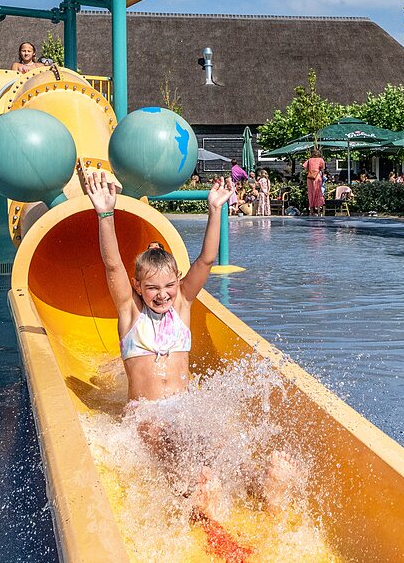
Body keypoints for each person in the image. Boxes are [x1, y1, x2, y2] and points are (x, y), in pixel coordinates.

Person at [80, 169, 293, 521]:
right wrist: (106, 214)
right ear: (137, 287)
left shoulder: (182, 306)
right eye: (151, 288)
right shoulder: (130, 314)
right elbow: (112, 265)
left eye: (168, 285)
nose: (161, 294)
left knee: (220, 442)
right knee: (165, 439)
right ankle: (195, 495)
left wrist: (215, 211)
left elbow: (206, 260)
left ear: (177, 282)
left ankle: (262, 484)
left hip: (185, 405)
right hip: (146, 414)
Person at [303, 148, 325, 216]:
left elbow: (305, 168)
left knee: (310, 193)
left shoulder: (309, 160)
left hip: (310, 177)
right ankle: (318, 210)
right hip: (317, 177)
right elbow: (322, 169)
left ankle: (311, 211)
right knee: (318, 193)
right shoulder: (321, 160)